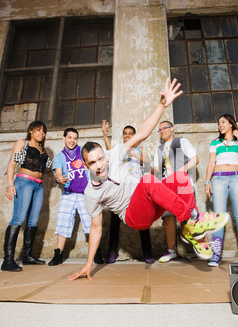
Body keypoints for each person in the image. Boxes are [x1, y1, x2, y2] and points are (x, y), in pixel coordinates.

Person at [69, 78, 229, 281]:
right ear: (86, 166)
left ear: (105, 155)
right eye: (93, 163)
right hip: (135, 217)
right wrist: (88, 263)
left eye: (101, 158)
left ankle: (191, 231)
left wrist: (162, 104)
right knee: (147, 180)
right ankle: (194, 219)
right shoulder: (91, 193)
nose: (100, 165)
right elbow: (96, 228)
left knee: (180, 177)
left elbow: (143, 132)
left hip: (151, 200)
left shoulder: (115, 154)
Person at [154, 121, 212, 262]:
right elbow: (156, 168)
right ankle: (171, 251)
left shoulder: (182, 141)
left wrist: (184, 168)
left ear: (172, 128)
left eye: (165, 128)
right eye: (160, 129)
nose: (162, 131)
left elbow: (195, 159)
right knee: (168, 218)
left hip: (183, 184)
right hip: (167, 186)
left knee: (190, 216)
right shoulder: (159, 148)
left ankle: (201, 248)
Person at [205, 114, 238, 267]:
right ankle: (216, 255)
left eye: (223, 122)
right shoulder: (215, 142)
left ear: (231, 124)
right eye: (219, 123)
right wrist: (207, 181)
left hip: (237, 178)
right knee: (218, 217)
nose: (220, 125)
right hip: (218, 179)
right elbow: (211, 162)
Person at [1, 121, 52, 272]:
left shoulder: (42, 149)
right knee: (18, 218)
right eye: (38, 130)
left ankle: (27, 256)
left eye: (43, 132)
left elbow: (47, 167)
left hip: (38, 185)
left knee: (33, 220)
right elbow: (12, 164)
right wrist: (10, 184)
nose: (41, 134)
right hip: (24, 182)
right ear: (30, 130)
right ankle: (8, 260)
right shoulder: (22, 143)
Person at [102, 121, 154, 263]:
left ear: (135, 135)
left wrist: (134, 154)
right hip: (119, 189)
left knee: (142, 220)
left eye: (130, 134)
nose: (127, 136)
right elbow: (110, 152)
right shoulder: (119, 149)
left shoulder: (140, 149)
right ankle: (112, 252)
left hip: (136, 188)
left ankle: (147, 252)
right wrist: (105, 135)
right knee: (115, 221)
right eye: (125, 133)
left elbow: (149, 162)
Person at [48, 127, 101, 265]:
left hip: (85, 193)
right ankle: (58, 254)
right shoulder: (60, 156)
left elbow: (94, 164)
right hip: (69, 193)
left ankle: (97, 253)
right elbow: (58, 174)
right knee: (63, 223)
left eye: (75, 138)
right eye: (70, 137)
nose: (72, 140)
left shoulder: (82, 151)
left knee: (91, 223)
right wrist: (59, 179)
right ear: (64, 138)